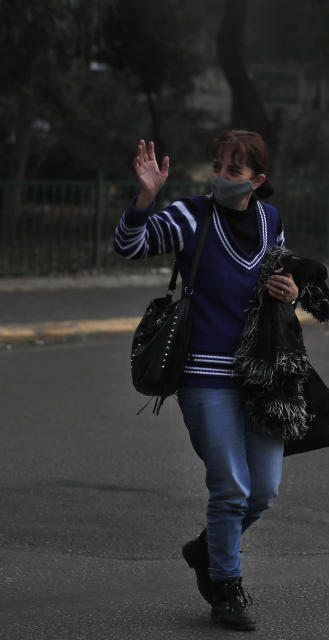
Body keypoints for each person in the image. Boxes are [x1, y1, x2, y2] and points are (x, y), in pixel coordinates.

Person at [114, 132, 303, 631]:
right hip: (203, 375)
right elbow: (128, 246)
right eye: (217, 165)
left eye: (233, 171)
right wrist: (147, 198)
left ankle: (205, 549)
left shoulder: (271, 220)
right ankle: (226, 587)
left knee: (263, 490)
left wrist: (291, 288)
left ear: (257, 181)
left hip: (259, 375)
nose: (219, 177)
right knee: (231, 488)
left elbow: (281, 275)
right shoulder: (190, 214)